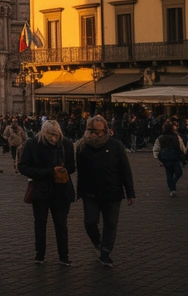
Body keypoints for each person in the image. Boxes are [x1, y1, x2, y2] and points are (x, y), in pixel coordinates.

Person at [75, 115, 134, 268]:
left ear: (106, 131)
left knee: (111, 223)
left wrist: (130, 193)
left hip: (112, 192)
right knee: (90, 222)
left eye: (99, 131)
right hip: (90, 192)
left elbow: (125, 170)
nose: (96, 134)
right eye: (92, 130)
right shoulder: (83, 146)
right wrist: (79, 191)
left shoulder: (116, 146)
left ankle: (106, 253)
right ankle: (98, 243)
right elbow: (80, 171)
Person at [19, 120, 76, 265]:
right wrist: (48, 172)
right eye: (50, 135)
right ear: (43, 133)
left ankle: (64, 255)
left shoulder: (66, 144)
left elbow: (72, 166)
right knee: (40, 223)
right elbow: (23, 167)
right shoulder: (32, 144)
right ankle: (40, 254)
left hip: (61, 190)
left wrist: (64, 170)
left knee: (61, 224)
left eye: (56, 135)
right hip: (40, 190)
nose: (53, 138)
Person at [152, 121, 186, 196]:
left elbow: (156, 148)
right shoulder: (176, 136)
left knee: (169, 173)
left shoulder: (160, 138)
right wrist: (184, 153)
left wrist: (157, 157)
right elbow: (181, 146)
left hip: (165, 158)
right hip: (175, 157)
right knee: (178, 173)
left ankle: (172, 188)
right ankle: (172, 186)